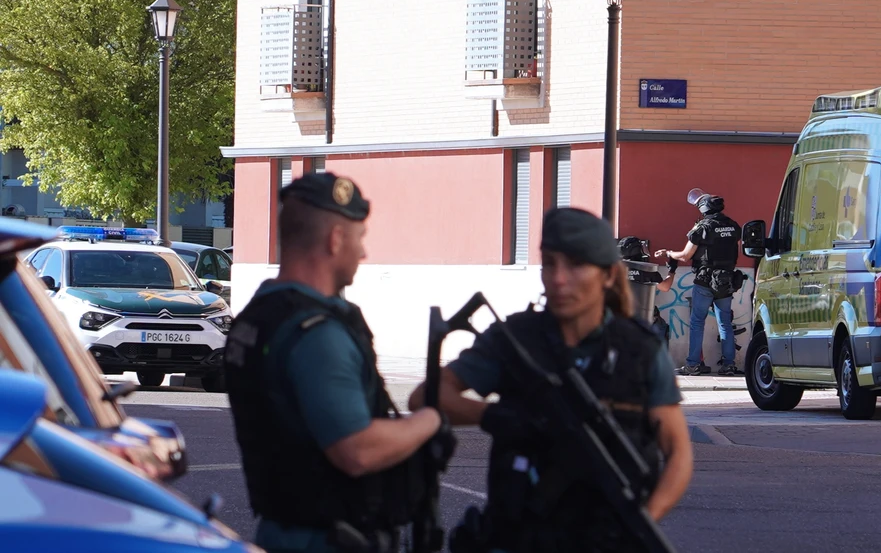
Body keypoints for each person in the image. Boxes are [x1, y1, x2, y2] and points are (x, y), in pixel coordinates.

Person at [415, 207, 694, 551]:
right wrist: (493, 417)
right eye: (549, 264)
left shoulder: (639, 349)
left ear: (607, 275)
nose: (559, 279)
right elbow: (427, 395)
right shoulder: (516, 338)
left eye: (575, 265)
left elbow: (678, 451)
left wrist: (642, 519)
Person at [226, 173, 451, 553]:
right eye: (359, 238)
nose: (363, 253)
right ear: (334, 240)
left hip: (282, 530)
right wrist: (428, 422)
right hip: (330, 539)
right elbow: (356, 450)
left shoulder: (257, 317)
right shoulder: (317, 334)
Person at [658, 190, 744, 376]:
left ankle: (693, 365)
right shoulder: (733, 226)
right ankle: (729, 365)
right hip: (726, 281)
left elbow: (685, 255)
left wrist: (669, 253)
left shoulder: (702, 228)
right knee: (725, 324)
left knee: (697, 322)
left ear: (704, 209)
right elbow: (735, 252)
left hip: (705, 280)